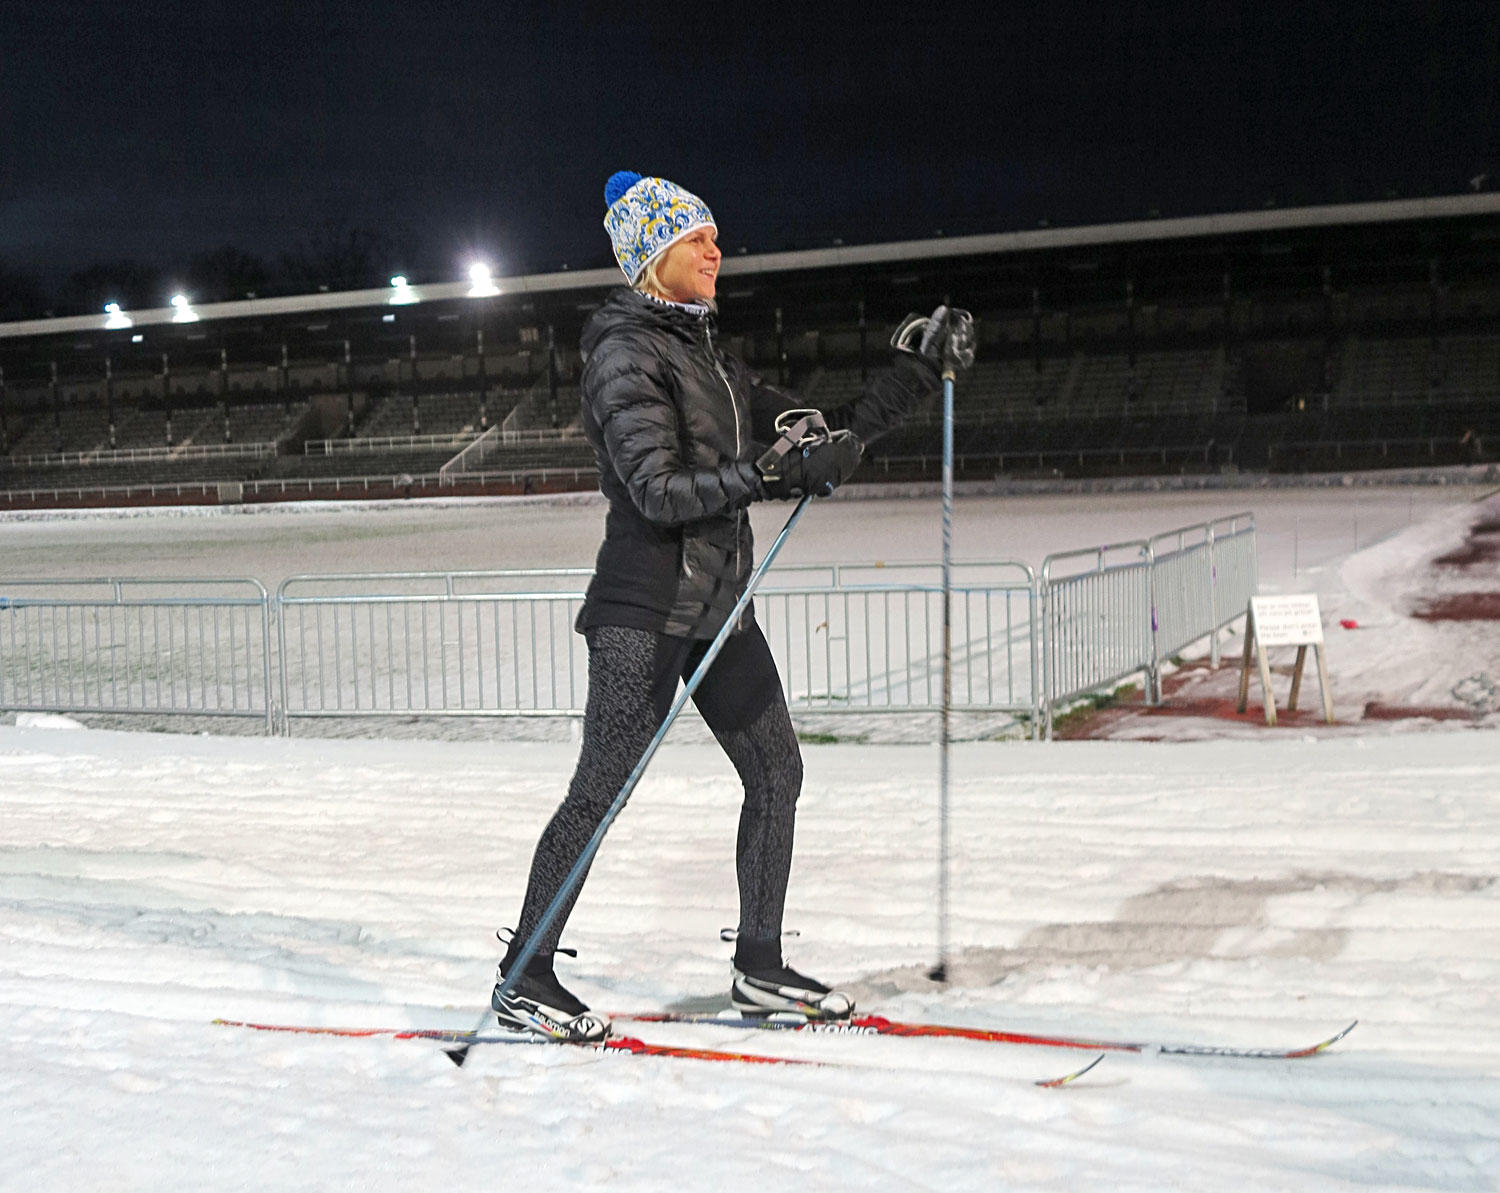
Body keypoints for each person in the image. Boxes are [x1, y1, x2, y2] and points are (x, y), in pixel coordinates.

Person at [494, 171, 974, 1041]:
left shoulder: (705, 349)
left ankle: (758, 966)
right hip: (643, 611)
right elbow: (656, 488)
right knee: (598, 793)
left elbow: (794, 427)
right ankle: (524, 973)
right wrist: (771, 473)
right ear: (652, 257)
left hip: (719, 606)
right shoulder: (623, 349)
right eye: (696, 239)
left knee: (777, 771)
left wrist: (906, 380)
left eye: (716, 236)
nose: (717, 251)